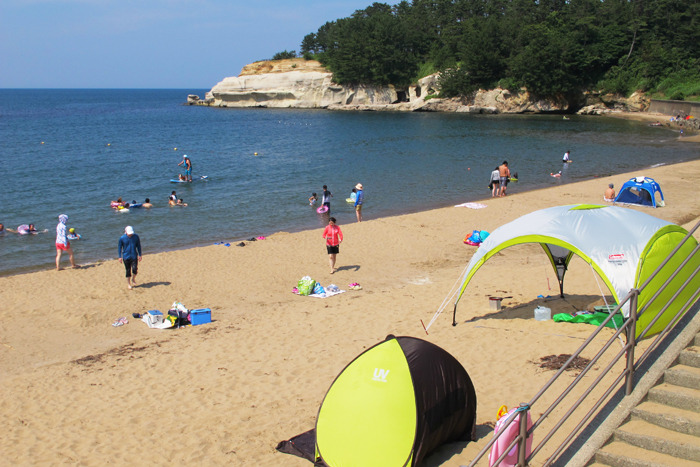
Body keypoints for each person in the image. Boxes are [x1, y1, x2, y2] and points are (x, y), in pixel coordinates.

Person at [118, 225, 142, 289]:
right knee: (128, 271)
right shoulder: (122, 238)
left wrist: (140, 254)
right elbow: (119, 247)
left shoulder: (136, 237)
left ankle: (133, 279)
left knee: (135, 269)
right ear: (125, 232)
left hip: (134, 256)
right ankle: (129, 284)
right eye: (129, 234)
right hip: (126, 257)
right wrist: (120, 257)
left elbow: (138, 246)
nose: (130, 235)